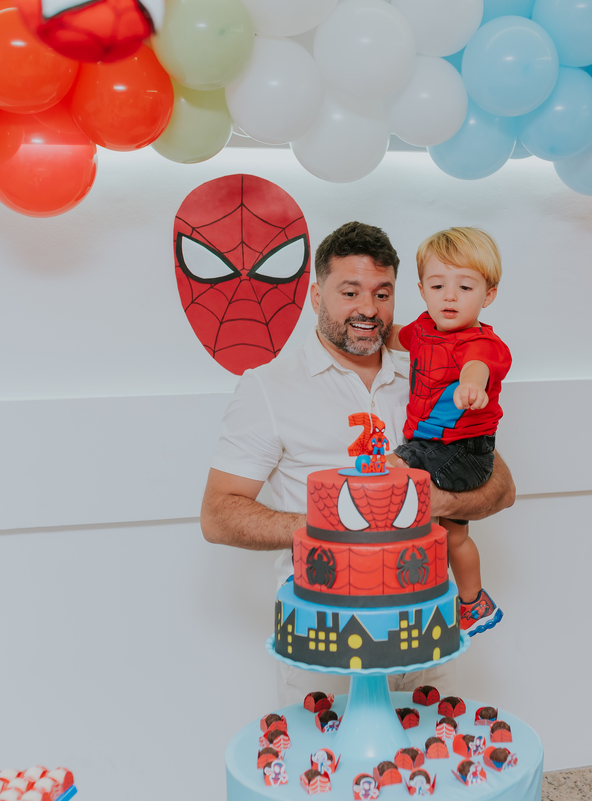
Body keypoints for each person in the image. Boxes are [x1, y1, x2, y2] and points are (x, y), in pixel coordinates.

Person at [201, 221, 516, 706]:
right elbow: (219, 516)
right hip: (328, 635)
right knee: (333, 775)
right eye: (350, 292)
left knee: (433, 769)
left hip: (427, 625)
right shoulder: (268, 387)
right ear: (315, 295)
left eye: (382, 294)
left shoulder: (429, 369)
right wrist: (337, 524)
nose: (368, 310)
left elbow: (501, 485)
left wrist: (441, 500)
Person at [385, 228, 511, 635]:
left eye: (465, 286)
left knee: (395, 467)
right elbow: (393, 336)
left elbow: (478, 365)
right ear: (422, 290)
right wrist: (367, 328)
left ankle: (437, 599)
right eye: (438, 285)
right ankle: (473, 603)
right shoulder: (422, 330)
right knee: (452, 538)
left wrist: (472, 385)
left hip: (466, 451)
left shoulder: (482, 344)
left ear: (488, 295)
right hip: (433, 445)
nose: (450, 297)